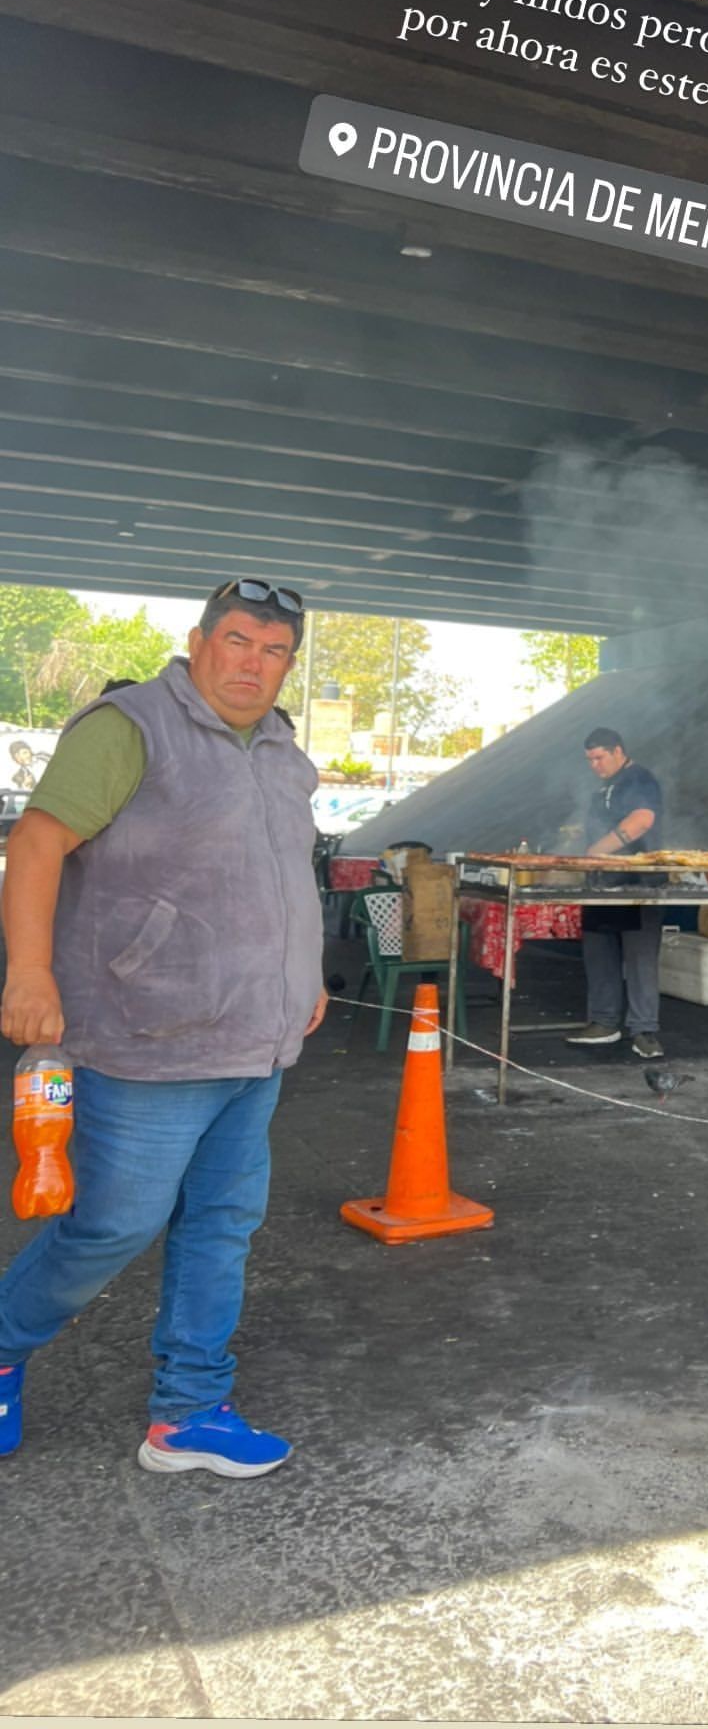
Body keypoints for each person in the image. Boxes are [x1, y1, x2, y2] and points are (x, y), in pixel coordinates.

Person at [0, 578, 327, 1476]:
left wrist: (302, 972)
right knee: (111, 1225)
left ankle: (188, 1412)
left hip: (255, 1043)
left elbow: (282, 874)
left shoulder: (281, 747)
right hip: (147, 1038)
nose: (252, 664)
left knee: (222, 1223)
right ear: (198, 641)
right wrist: (28, 972)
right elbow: (34, 844)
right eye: (237, 641)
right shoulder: (131, 727)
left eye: (273, 651)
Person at [564, 728, 666, 1062]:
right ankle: (604, 1022)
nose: (594, 765)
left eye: (599, 757)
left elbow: (642, 821)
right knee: (599, 951)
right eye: (589, 759)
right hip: (602, 882)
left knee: (639, 959)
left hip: (637, 882)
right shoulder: (604, 787)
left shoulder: (639, 779)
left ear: (618, 751)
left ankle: (644, 1030)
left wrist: (596, 849)